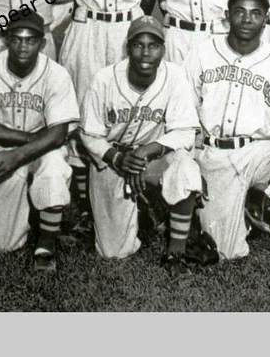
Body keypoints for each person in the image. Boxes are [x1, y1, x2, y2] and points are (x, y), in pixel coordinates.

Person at [185, 0, 270, 289]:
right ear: (227, 15)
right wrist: (190, 161)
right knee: (225, 251)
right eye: (240, 11)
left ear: (265, 19)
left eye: (256, 13)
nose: (247, 19)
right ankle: (245, 210)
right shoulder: (201, 54)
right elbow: (186, 111)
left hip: (260, 149)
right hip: (215, 153)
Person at [58, 0, 163, 240]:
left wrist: (132, 25)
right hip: (87, 25)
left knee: (127, 107)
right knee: (85, 108)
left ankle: (134, 192)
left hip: (126, 27)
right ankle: (84, 205)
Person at [78, 16, 204, 271]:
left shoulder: (175, 76)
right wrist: (117, 159)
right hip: (113, 160)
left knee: (186, 168)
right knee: (113, 252)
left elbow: (185, 132)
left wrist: (145, 152)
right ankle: (145, 210)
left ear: (163, 49)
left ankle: (176, 251)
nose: (146, 52)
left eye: (153, 45)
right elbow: (89, 134)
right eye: (139, 44)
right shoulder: (104, 79)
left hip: (153, 157)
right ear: (128, 48)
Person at [0, 12, 79, 272]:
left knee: (54, 167)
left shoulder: (56, 74)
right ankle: (28, 209)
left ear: (42, 43)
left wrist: (18, 155)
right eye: (17, 39)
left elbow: (58, 135)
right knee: (3, 244)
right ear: (5, 39)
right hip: (7, 146)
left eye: (31, 40)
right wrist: (25, 142)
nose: (23, 46)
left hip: (45, 148)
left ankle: (46, 245)